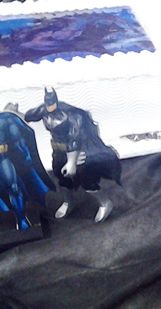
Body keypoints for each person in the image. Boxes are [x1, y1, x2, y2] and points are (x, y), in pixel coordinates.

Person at [25, 88, 121, 223]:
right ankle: (68, 201)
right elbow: (28, 116)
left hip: (77, 152)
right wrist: (13, 114)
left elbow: (74, 139)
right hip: (58, 151)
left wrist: (71, 161)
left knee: (85, 178)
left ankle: (104, 202)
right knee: (60, 176)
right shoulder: (43, 111)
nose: (50, 112)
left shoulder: (73, 116)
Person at [0, 103, 53, 231]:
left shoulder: (6, 120)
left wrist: (25, 156)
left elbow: (18, 138)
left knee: (13, 187)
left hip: (3, 158)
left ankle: (22, 219)